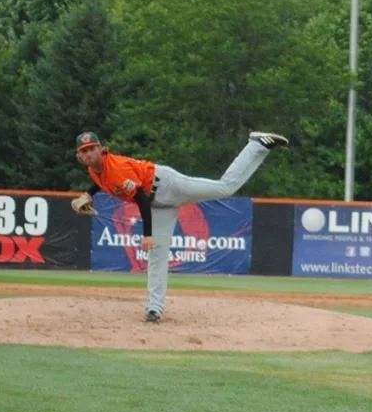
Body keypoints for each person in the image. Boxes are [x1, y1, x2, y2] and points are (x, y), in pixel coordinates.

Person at [74, 130, 288, 322]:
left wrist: (147, 235)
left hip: (169, 186)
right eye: (85, 151)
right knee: (157, 255)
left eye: (93, 148)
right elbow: (102, 182)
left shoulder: (116, 168)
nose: (90, 153)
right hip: (160, 205)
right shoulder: (95, 170)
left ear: (101, 149)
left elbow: (140, 198)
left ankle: (256, 144)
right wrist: (89, 194)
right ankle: (154, 309)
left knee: (225, 188)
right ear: (80, 157)